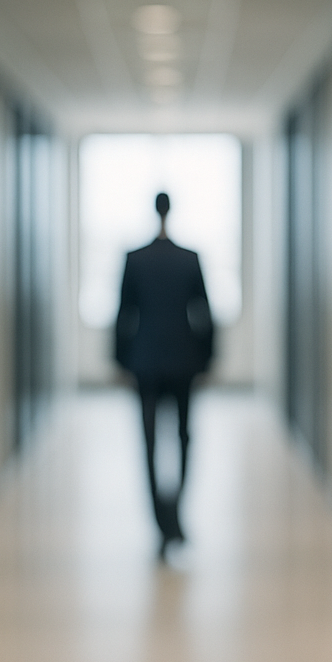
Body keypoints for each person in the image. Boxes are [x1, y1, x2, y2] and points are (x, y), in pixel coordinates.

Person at [115, 192, 215, 558]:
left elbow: (124, 314)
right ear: (170, 210)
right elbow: (203, 312)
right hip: (184, 359)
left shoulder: (135, 259)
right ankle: (176, 513)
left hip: (146, 361)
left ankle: (162, 520)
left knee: (150, 442)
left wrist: (121, 360)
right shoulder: (189, 259)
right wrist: (207, 358)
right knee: (184, 435)